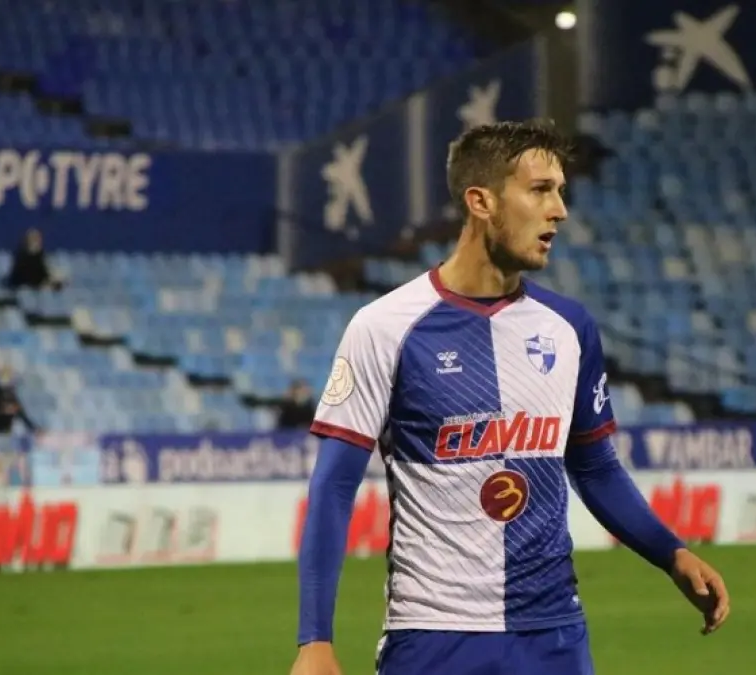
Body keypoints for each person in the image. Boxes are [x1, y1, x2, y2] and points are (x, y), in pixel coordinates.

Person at [291, 120, 729, 675]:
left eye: (560, 191)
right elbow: (334, 484)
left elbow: (594, 467)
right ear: (481, 202)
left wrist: (672, 554)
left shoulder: (569, 327)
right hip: (435, 634)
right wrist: (315, 639)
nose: (559, 211)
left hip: (554, 635)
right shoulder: (385, 327)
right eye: (540, 190)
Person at [0, 366, 37, 434]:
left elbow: (20, 413)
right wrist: (5, 409)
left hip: (3, 432)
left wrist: (33, 428)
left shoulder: (8, 393)